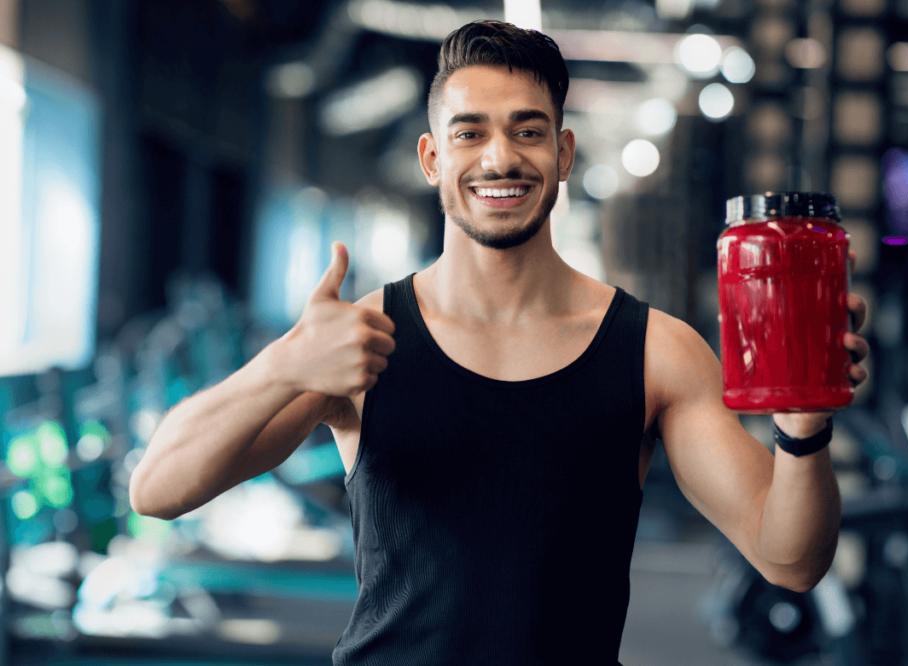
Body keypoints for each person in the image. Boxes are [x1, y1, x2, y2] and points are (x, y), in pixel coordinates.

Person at [130, 19, 870, 666]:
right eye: (470, 132)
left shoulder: (655, 352)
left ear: (564, 152)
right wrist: (283, 365)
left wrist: (803, 424)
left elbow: (791, 560)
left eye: (527, 129)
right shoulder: (360, 341)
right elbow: (157, 489)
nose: (499, 157)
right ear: (431, 159)